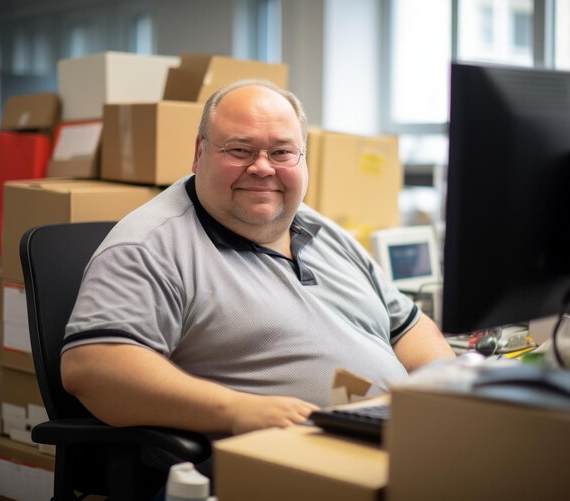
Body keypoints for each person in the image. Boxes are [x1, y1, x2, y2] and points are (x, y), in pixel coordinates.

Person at [61, 79, 455, 439]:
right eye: (240, 150)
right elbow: (93, 368)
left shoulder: (322, 229)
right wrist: (237, 410)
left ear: (302, 158)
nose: (263, 167)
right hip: (284, 460)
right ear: (199, 153)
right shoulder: (150, 247)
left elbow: (407, 327)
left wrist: (446, 385)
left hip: (394, 435)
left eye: (282, 152)